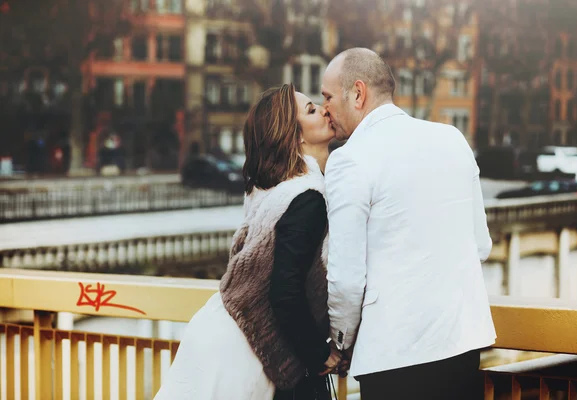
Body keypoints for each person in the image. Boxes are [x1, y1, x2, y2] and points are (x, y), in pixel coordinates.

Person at [321, 47, 496, 399]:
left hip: (395, 358)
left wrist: (341, 344)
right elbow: (481, 245)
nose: (324, 108)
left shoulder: (349, 160)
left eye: (327, 97)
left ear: (358, 93)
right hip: (462, 346)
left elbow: (347, 279)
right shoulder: (453, 139)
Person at [154, 83, 343, 400]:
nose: (324, 109)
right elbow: (285, 292)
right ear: (294, 135)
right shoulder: (306, 197)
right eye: (312, 109)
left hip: (222, 335)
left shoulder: (276, 190)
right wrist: (318, 354)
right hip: (243, 351)